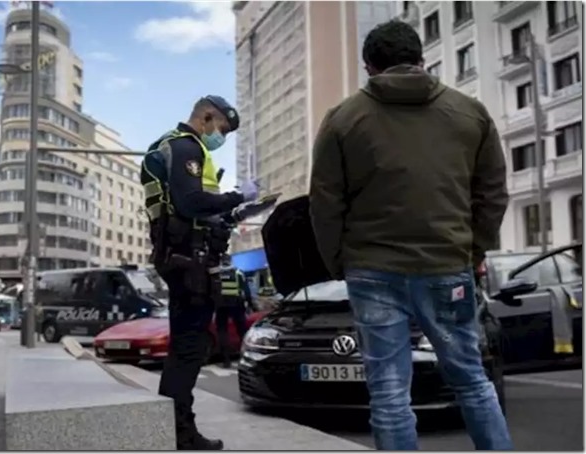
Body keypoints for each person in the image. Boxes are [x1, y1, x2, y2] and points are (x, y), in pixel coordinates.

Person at [308, 20, 511, 450]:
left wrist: (340, 262)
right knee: (472, 380)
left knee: (388, 393)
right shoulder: (470, 112)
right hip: (446, 264)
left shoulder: (343, 119)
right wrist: (474, 249)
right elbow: (492, 192)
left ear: (369, 68)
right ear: (422, 61)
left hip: (372, 270)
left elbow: (325, 203)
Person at [141, 95, 259, 450]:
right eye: (222, 128)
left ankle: (176, 429)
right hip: (188, 257)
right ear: (207, 117)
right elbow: (190, 202)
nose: (221, 137)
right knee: (189, 349)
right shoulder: (186, 147)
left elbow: (191, 208)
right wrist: (237, 196)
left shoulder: (169, 146)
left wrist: (232, 213)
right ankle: (180, 433)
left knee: (185, 346)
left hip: (182, 253)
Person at [216, 259, 254, 368]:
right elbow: (246, 290)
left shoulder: (217, 273)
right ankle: (244, 356)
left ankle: (226, 360)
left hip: (221, 305)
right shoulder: (238, 273)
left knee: (222, 332)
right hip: (236, 304)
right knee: (242, 331)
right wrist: (250, 304)